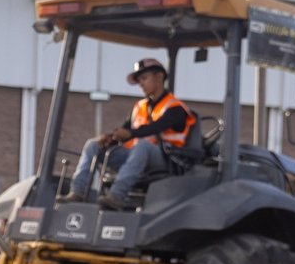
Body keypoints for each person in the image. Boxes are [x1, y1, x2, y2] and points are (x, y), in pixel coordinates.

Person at [67, 57, 197, 210]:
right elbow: (126, 130)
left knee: (143, 145)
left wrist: (130, 133)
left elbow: (154, 128)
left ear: (159, 77)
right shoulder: (140, 107)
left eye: (144, 78)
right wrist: (110, 138)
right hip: (135, 157)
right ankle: (78, 192)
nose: (141, 84)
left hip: (165, 159)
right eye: (139, 80)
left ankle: (116, 195)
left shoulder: (175, 108)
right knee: (93, 145)